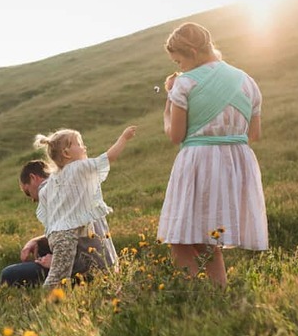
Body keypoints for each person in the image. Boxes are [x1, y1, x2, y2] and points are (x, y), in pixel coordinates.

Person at [157, 22, 268, 289]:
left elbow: (175, 135)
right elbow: (254, 134)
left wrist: (169, 99)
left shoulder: (184, 84)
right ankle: (220, 293)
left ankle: (202, 294)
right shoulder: (247, 80)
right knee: (208, 237)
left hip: (199, 161)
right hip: (236, 162)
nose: (180, 67)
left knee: (179, 238)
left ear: (193, 52)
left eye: (179, 60)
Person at [33, 126, 137, 287]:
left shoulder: (54, 179)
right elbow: (108, 157)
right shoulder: (78, 167)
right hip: (66, 236)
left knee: (67, 271)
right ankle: (46, 303)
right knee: (57, 277)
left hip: (55, 233)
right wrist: (124, 138)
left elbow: (45, 201)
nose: (84, 147)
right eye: (80, 144)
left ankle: (74, 295)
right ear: (67, 153)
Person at [0, 160, 116, 287]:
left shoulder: (54, 196)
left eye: (28, 192)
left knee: (9, 275)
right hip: (107, 263)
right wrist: (35, 240)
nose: (33, 199)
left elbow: (66, 238)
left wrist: (55, 264)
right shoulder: (68, 186)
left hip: (90, 271)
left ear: (33, 178)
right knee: (41, 247)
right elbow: (74, 231)